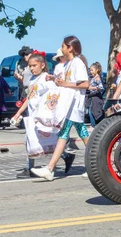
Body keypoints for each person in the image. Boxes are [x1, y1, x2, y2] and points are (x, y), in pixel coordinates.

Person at [31, 36, 90, 181]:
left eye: (63, 46)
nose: (61, 49)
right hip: (69, 105)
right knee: (79, 133)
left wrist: (65, 84)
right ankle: (97, 164)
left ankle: (50, 168)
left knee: (65, 134)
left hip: (74, 104)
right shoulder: (69, 64)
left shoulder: (77, 63)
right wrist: (56, 80)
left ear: (70, 48)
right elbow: (66, 82)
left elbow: (85, 84)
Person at [12, 52, 75, 178]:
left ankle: (63, 156)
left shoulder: (46, 78)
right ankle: (31, 166)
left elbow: (53, 97)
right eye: (30, 66)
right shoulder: (32, 80)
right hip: (32, 115)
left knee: (45, 141)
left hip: (42, 117)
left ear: (42, 65)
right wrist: (17, 113)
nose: (31, 68)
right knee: (30, 141)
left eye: (34, 65)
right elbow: (29, 98)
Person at [87, 62, 105, 127]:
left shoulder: (97, 77)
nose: (91, 71)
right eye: (90, 70)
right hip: (92, 97)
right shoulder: (93, 78)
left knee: (94, 112)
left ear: (97, 70)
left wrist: (91, 88)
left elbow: (101, 87)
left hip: (96, 97)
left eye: (92, 70)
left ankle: (94, 125)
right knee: (91, 111)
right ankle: (94, 125)